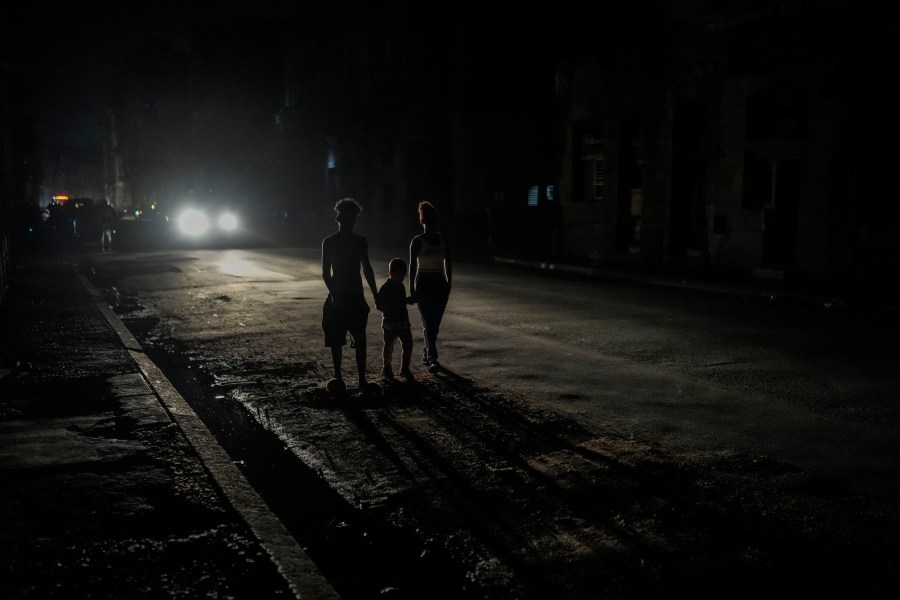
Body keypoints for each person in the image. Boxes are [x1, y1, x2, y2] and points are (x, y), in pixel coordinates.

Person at [321, 198, 380, 393]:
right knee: (358, 339)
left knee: (338, 341)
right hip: (352, 297)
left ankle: (340, 379)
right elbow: (367, 270)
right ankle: (360, 381)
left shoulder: (330, 242)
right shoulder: (357, 241)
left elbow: (326, 274)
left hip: (343, 297)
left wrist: (335, 294)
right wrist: (375, 295)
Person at [409, 200, 452, 373]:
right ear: (421, 221)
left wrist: (449, 283)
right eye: (424, 218)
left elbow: (448, 263)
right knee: (428, 321)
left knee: (435, 322)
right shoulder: (417, 242)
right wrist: (412, 289)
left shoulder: (444, 239)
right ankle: (432, 357)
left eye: (430, 218)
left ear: (435, 219)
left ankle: (427, 350)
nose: (428, 221)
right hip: (423, 282)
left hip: (440, 282)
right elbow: (412, 266)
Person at [376, 257, 416, 381]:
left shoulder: (400, 286)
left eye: (403, 276)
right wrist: (402, 302)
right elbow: (379, 304)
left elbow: (400, 301)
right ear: (391, 273)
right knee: (389, 346)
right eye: (399, 275)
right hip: (390, 322)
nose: (401, 278)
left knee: (408, 344)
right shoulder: (386, 287)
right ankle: (387, 368)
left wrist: (407, 300)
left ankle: (404, 369)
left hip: (402, 321)